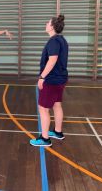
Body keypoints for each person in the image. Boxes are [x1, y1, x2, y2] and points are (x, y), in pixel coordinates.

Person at [30, 15, 68, 147]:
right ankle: (57, 132)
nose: (46, 24)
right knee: (57, 105)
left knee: (43, 108)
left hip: (51, 80)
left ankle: (45, 139)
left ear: (52, 26)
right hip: (61, 79)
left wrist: (42, 77)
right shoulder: (62, 40)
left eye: (47, 23)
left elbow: (52, 61)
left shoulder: (53, 41)